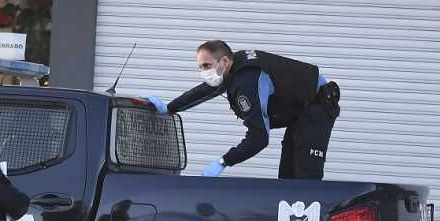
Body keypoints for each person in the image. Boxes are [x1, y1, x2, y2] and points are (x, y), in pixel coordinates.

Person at [142, 40, 341, 180]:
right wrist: (169, 107)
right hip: (302, 109)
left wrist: (223, 161)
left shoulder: (246, 82)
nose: (203, 72)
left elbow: (259, 137)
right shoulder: (233, 67)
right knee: (287, 178)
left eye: (206, 65)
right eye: (200, 67)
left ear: (224, 62)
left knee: (305, 178)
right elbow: (204, 91)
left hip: (318, 107)